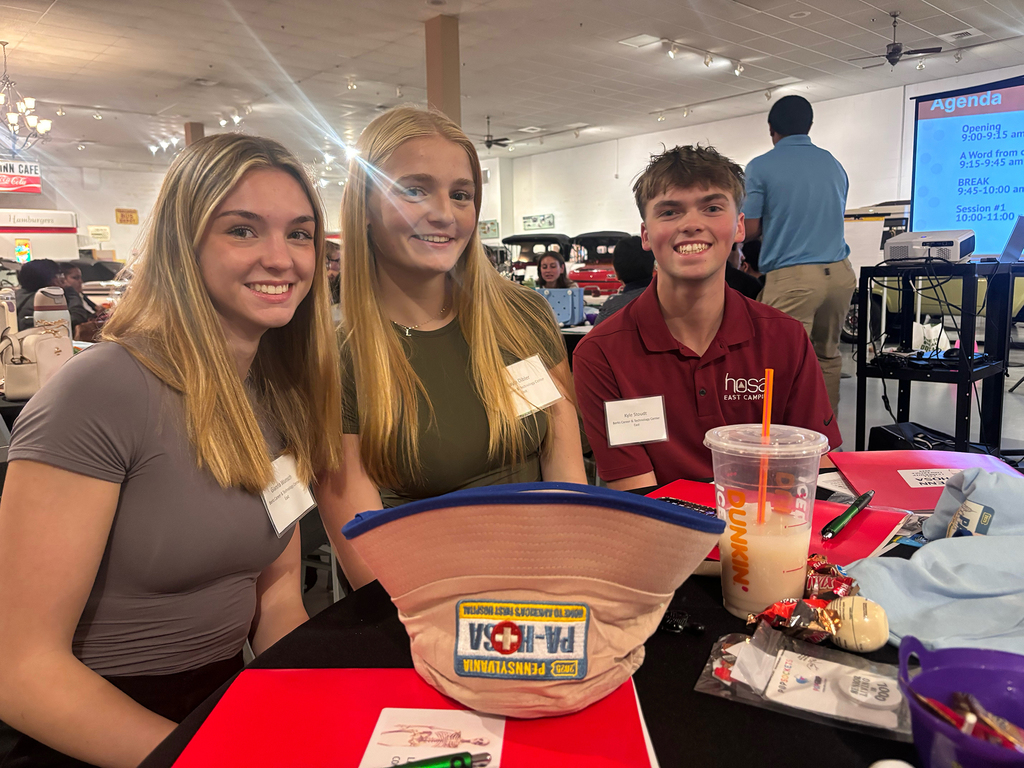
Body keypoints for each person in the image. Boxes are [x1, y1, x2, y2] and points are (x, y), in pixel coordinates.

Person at [0, 133, 344, 767]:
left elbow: (277, 600)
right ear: (183, 245)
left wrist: (323, 718)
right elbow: (22, 673)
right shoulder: (102, 392)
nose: (282, 258)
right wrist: (210, 756)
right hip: (102, 734)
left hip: (222, 709)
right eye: (242, 230)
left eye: (300, 234)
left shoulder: (277, 393)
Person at [318, 106, 586, 589]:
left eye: (460, 194)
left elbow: (566, 472)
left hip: (549, 589)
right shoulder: (340, 361)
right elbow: (369, 565)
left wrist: (566, 582)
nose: (444, 213)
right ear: (364, 210)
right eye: (414, 190)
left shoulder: (524, 315)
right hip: (432, 611)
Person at [572, 145, 841, 489]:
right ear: (645, 234)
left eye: (712, 208)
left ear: (739, 225)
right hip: (664, 534)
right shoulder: (602, 355)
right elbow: (638, 495)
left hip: (774, 530)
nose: (692, 225)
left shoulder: (785, 338)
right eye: (669, 212)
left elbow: (816, 469)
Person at [743, 95, 857, 417]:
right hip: (839, 274)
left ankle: (776, 437)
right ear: (809, 126)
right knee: (827, 356)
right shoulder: (834, 164)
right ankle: (825, 437)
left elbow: (749, 229)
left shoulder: (760, 166)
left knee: (775, 362)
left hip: (794, 277)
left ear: (771, 129)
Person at [14, 258, 93, 337]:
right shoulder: (44, 300)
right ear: (52, 279)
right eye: (59, 275)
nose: (62, 278)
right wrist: (69, 290)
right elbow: (77, 317)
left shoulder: (19, 296)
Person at [594, 235, 653, 325]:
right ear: (653, 267)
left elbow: (594, 338)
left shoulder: (611, 310)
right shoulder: (670, 304)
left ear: (616, 273)